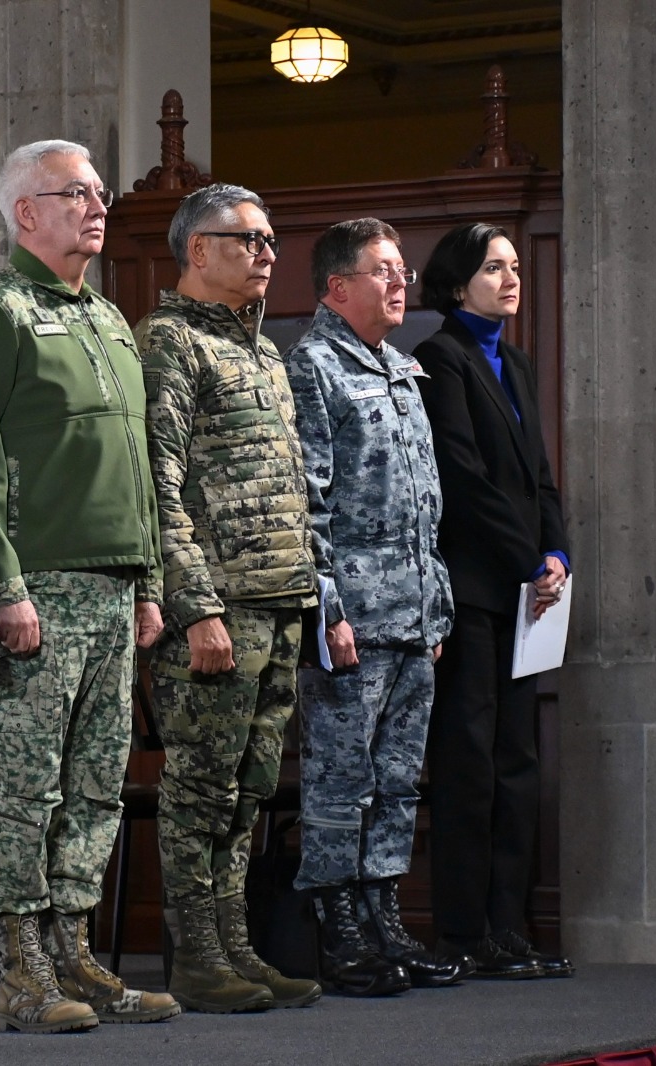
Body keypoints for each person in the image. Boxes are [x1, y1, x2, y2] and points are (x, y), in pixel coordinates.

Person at [0, 139, 177, 1033]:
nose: (95, 205)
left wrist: (149, 581)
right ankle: (17, 964)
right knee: (24, 786)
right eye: (73, 193)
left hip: (114, 587)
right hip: (36, 586)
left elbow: (137, 468)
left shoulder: (110, 319)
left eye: (98, 192)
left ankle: (73, 948)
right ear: (24, 212)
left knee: (94, 785)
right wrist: (2, 587)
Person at [137, 183, 328, 1012]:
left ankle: (237, 949)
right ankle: (196, 956)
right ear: (197, 250)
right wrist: (196, 604)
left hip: (280, 596)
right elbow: (159, 484)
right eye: (246, 238)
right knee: (201, 786)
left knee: (249, 788)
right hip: (218, 609)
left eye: (271, 239)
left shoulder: (262, 350)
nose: (266, 252)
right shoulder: (169, 343)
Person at [285, 218, 468, 995]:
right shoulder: (315, 368)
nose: (402, 285)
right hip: (353, 617)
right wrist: (328, 611)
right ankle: (338, 925)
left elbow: (426, 504)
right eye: (384, 272)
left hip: (413, 613)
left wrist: (437, 611)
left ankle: (384, 914)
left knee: (397, 777)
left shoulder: (401, 368)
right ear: (336, 287)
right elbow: (309, 501)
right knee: (341, 776)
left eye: (404, 273)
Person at [411, 221, 574, 980]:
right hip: (475, 593)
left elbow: (539, 475)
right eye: (493, 268)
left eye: (514, 266)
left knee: (519, 761)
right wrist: (525, 559)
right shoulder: (438, 360)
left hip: (527, 594)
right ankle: (463, 931)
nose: (510, 279)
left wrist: (558, 554)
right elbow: (464, 482)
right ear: (454, 282)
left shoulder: (514, 359)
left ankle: (509, 929)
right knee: (469, 762)